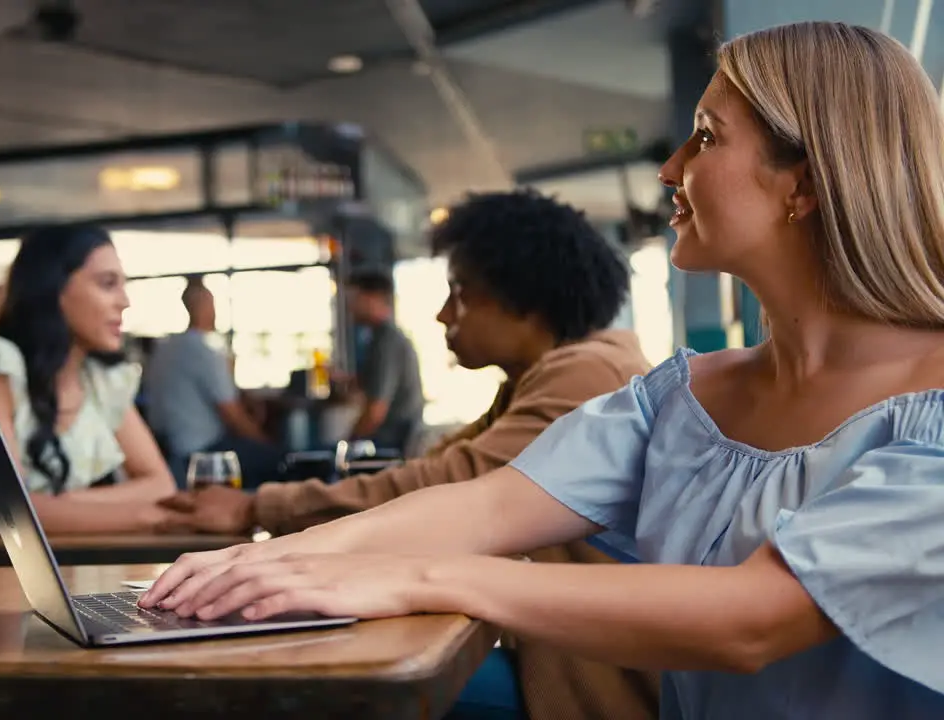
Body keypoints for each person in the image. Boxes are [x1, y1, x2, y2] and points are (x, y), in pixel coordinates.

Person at [141, 22, 944, 719]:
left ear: (801, 182)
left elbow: (754, 619)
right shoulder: (684, 397)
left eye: (705, 136)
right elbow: (489, 507)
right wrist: (267, 562)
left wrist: (414, 578)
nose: (670, 168)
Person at [160, 189, 659, 720]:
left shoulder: (588, 372)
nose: (444, 314)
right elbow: (433, 475)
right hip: (551, 658)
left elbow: (447, 486)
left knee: (308, 682)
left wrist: (256, 509)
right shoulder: (543, 377)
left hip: (588, 688)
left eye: (460, 292)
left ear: (525, 297)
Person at [0, 223, 175, 569]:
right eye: (108, 284)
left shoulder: (99, 381)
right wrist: (156, 518)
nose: (125, 301)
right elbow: (11, 515)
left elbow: (161, 485)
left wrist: (54, 504)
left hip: (55, 572)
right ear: (54, 288)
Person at [143, 277, 280, 486]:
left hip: (166, 450)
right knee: (280, 462)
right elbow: (232, 415)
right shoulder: (203, 351)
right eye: (213, 304)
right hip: (202, 453)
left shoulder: (164, 348)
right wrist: (267, 443)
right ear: (204, 306)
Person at [344, 271, 424, 452]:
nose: (350, 305)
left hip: (392, 445)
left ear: (374, 297)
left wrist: (346, 445)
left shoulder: (387, 341)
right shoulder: (379, 338)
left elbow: (375, 411)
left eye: (354, 297)